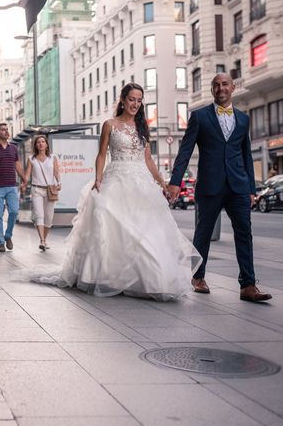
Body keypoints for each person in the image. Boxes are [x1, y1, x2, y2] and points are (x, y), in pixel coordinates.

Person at [33, 83, 201, 301]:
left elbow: (148, 159)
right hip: (117, 180)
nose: (135, 104)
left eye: (139, 100)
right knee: (114, 230)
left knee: (146, 231)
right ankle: (111, 277)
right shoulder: (109, 125)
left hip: (141, 182)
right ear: (123, 100)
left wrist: (162, 182)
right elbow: (102, 154)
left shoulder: (143, 127)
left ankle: (153, 278)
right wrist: (98, 178)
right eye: (132, 99)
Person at [169, 73, 271, 302]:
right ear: (212, 90)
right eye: (216, 85)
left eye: (225, 84)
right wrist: (175, 181)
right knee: (203, 233)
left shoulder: (243, 119)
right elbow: (185, 151)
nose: (220, 88)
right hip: (210, 185)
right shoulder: (199, 117)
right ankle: (198, 277)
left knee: (244, 233)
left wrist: (252, 188)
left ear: (232, 88)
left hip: (238, 186)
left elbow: (245, 154)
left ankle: (248, 285)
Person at [0, 123, 26, 252]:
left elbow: (18, 165)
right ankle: (1, 242)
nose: (6, 131)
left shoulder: (13, 148)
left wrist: (25, 179)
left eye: (7, 129)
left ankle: (8, 235)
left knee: (14, 211)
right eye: (3, 130)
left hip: (11, 186)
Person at [24, 135, 61, 251]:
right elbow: (27, 174)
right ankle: (42, 241)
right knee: (39, 216)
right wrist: (23, 182)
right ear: (35, 145)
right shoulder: (31, 159)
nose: (41, 144)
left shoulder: (53, 157)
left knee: (49, 218)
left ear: (46, 144)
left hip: (50, 190)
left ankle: (44, 240)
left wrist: (59, 182)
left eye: (43, 141)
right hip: (36, 190)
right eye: (38, 142)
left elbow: (56, 172)